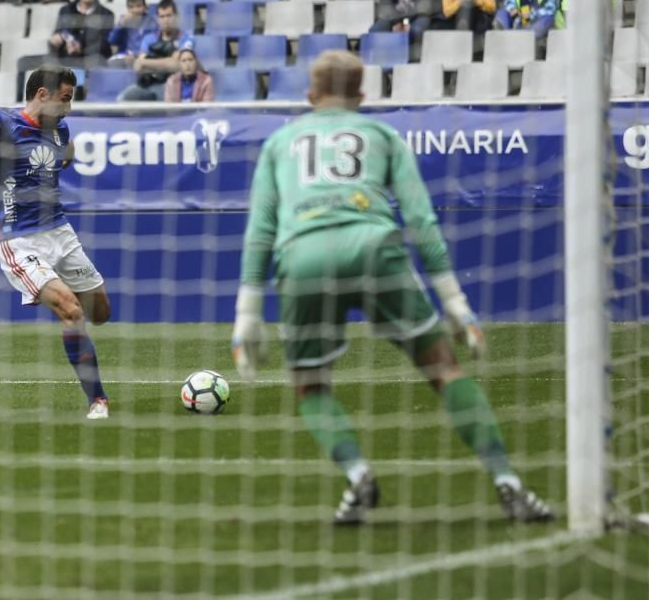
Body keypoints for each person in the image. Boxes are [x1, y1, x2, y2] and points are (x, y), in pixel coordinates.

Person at [231, 49, 555, 526]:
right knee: (444, 369)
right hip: (375, 249)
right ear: (361, 96)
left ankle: (358, 476)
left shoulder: (280, 142)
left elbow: (260, 229)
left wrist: (246, 316)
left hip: (303, 258)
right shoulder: (382, 135)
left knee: (311, 386)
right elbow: (422, 220)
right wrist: (456, 303)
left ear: (309, 95)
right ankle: (510, 486)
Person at [0, 65, 113, 420]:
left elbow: (61, 154)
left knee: (101, 313)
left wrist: (68, 154)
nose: (69, 108)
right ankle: (98, 401)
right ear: (42, 95)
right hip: (20, 241)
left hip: (60, 232)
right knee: (71, 310)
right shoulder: (6, 122)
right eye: (66, 99)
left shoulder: (59, 128)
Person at [118, 0, 194, 102]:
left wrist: (148, 63)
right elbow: (138, 66)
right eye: (162, 17)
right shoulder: (149, 38)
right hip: (147, 83)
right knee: (122, 99)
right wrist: (167, 61)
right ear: (158, 19)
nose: (166, 20)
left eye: (169, 16)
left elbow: (176, 65)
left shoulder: (186, 38)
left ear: (176, 17)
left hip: (172, 85)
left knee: (166, 104)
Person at [48, 0, 114, 69]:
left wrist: (81, 48)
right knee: (23, 61)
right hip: (66, 56)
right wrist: (56, 39)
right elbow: (59, 33)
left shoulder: (106, 14)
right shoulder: (65, 11)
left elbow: (105, 44)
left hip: (92, 59)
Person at [107, 0, 158, 67]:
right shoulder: (123, 20)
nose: (135, 10)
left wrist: (136, 55)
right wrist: (120, 25)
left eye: (138, 6)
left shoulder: (152, 22)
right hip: (124, 56)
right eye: (131, 7)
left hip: (144, 57)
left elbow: (153, 44)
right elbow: (112, 41)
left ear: (145, 7)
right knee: (111, 64)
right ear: (127, 8)